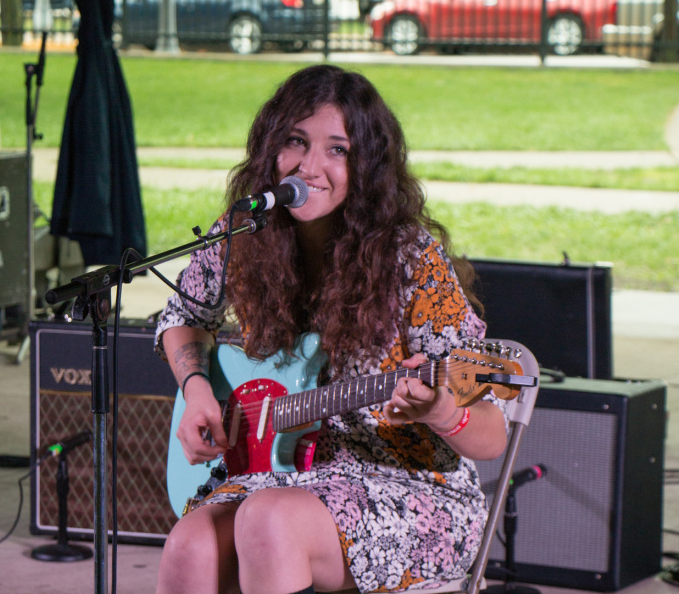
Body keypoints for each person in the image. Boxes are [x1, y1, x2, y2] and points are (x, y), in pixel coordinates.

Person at [154, 64, 509, 594]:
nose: (310, 166)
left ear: (366, 165)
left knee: (269, 521)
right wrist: (198, 389)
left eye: (337, 150)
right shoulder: (245, 231)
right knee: (191, 546)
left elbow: (493, 432)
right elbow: (181, 316)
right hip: (279, 471)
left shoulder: (410, 258)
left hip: (410, 488)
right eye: (296, 142)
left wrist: (440, 410)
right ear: (271, 148)